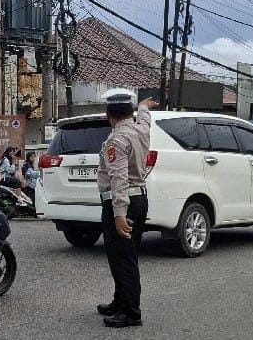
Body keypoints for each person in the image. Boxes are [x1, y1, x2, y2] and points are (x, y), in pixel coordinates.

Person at [95, 89, 156, 329]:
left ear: (108, 114)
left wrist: (119, 214)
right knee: (124, 255)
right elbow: (145, 119)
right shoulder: (140, 130)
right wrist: (144, 107)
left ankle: (130, 312)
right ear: (129, 113)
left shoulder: (117, 140)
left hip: (123, 202)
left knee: (123, 259)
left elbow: (118, 178)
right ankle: (120, 302)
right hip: (138, 199)